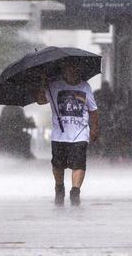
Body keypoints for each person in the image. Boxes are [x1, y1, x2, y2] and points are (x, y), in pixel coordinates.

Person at [36, 59, 99, 206]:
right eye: (68, 69)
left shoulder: (85, 87)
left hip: (80, 134)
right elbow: (40, 100)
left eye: (74, 68)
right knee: (58, 165)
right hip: (59, 134)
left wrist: (94, 129)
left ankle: (75, 192)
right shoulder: (54, 86)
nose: (71, 71)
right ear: (63, 71)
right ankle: (59, 188)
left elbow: (93, 110)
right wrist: (42, 84)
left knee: (79, 164)